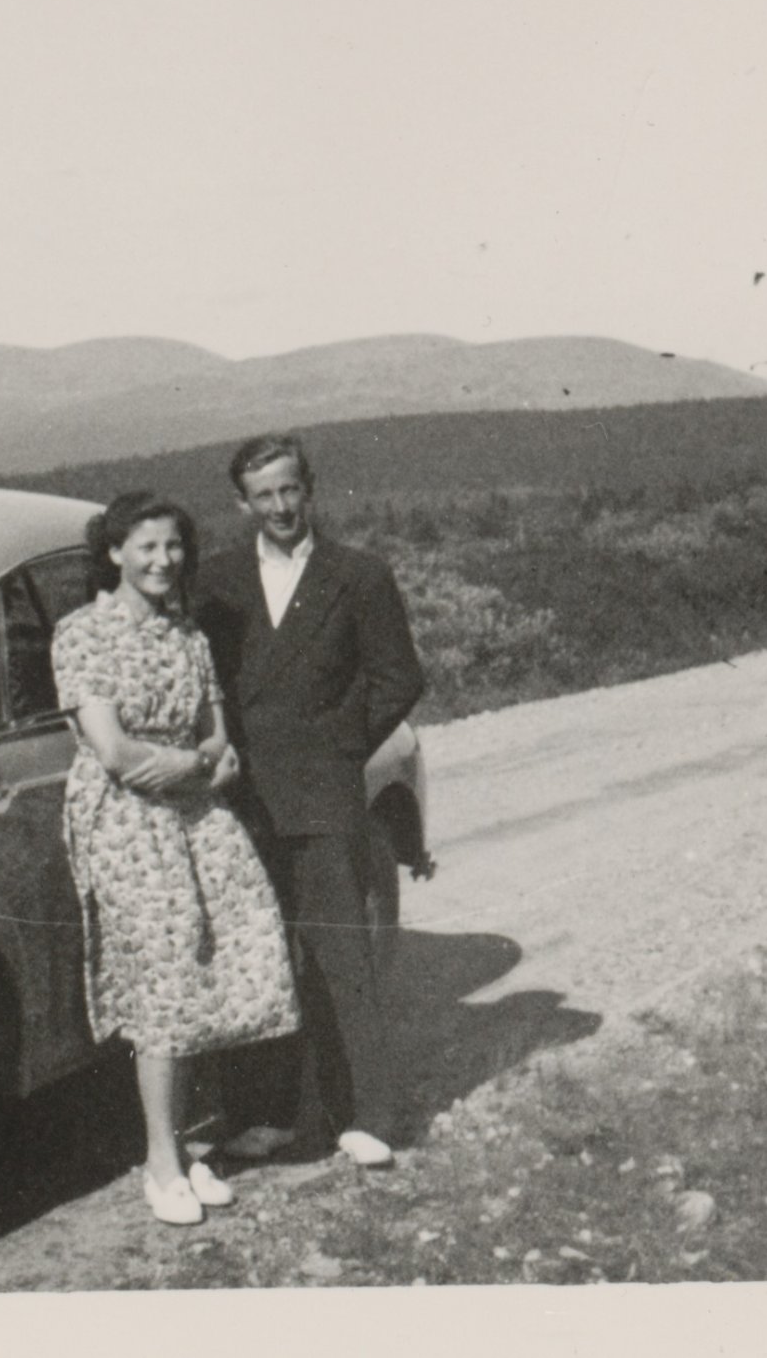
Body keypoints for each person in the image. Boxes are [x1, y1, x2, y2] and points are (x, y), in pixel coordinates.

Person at [50, 490, 302, 1225]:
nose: (163, 560)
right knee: (162, 975)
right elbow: (115, 753)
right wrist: (196, 763)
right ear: (114, 552)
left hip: (193, 812)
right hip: (126, 821)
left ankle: (188, 1145)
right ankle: (161, 1162)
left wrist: (202, 760)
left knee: (221, 954)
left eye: (173, 546)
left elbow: (216, 735)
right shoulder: (83, 633)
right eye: (147, 547)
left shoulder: (188, 635)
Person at [195, 433, 425, 1168]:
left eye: (290, 489)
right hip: (240, 799)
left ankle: (363, 1115)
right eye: (263, 495)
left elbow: (399, 676)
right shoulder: (216, 580)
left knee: (337, 954)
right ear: (243, 504)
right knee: (254, 956)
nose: (280, 506)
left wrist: (339, 746)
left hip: (323, 795)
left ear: (311, 488)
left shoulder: (358, 575)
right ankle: (264, 1116)